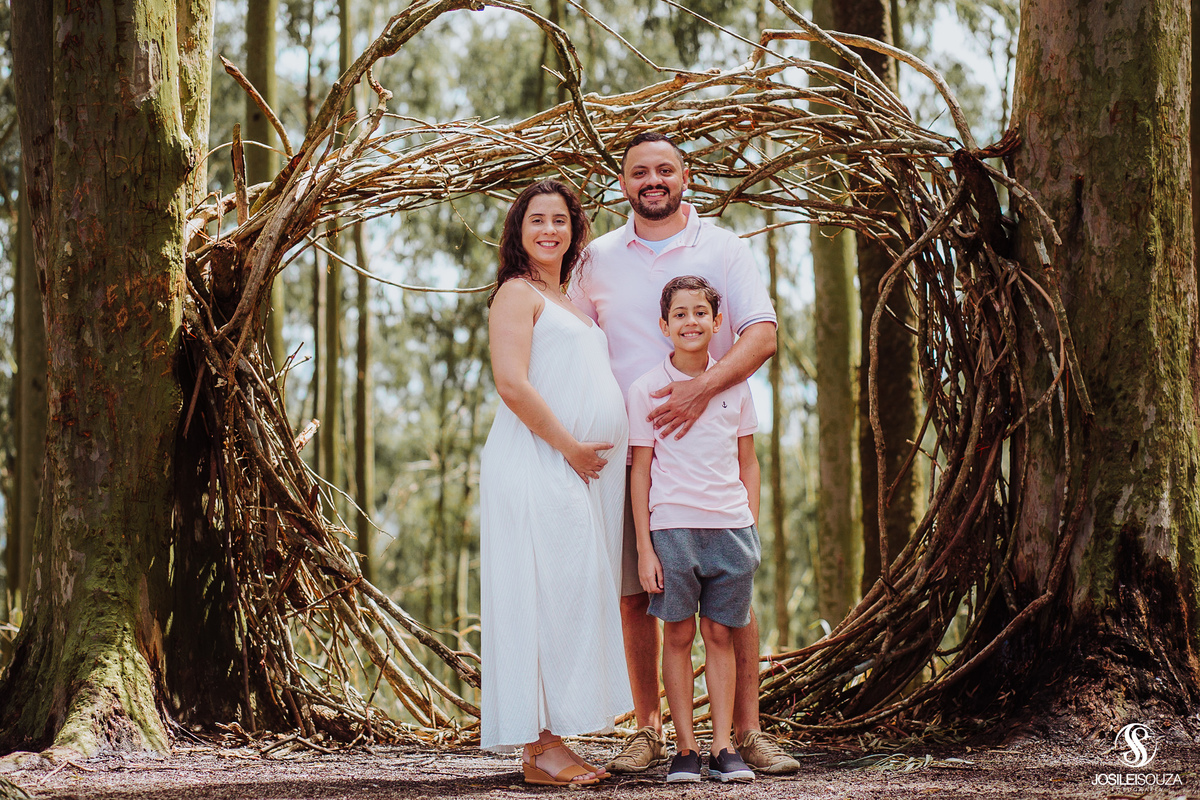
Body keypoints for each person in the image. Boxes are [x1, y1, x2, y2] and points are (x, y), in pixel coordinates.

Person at [569, 132, 800, 775]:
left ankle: (745, 733)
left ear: (686, 176)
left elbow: (762, 336)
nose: (653, 180)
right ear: (623, 183)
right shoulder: (595, 259)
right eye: (639, 171)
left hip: (713, 454)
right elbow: (571, 340)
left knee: (734, 603)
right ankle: (650, 731)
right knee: (637, 593)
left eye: (665, 169)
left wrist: (702, 389)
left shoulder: (724, 247)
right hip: (629, 455)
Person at [479, 180, 632, 786]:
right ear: (518, 230)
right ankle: (540, 748)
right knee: (539, 596)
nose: (549, 230)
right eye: (537, 219)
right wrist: (570, 446)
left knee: (569, 596)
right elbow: (511, 383)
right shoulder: (516, 294)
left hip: (572, 469)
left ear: (575, 231)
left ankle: (552, 740)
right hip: (535, 462)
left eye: (560, 220)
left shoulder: (566, 299)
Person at [628, 276, 761, 783]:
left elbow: (748, 462)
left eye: (700, 312)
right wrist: (645, 549)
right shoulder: (645, 389)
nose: (691, 322)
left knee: (721, 634)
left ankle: (723, 746)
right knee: (679, 634)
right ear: (664, 325)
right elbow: (640, 472)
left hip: (731, 529)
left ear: (717, 321)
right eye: (680, 314)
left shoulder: (737, 385)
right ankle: (685, 749)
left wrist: (751, 528)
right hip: (672, 529)